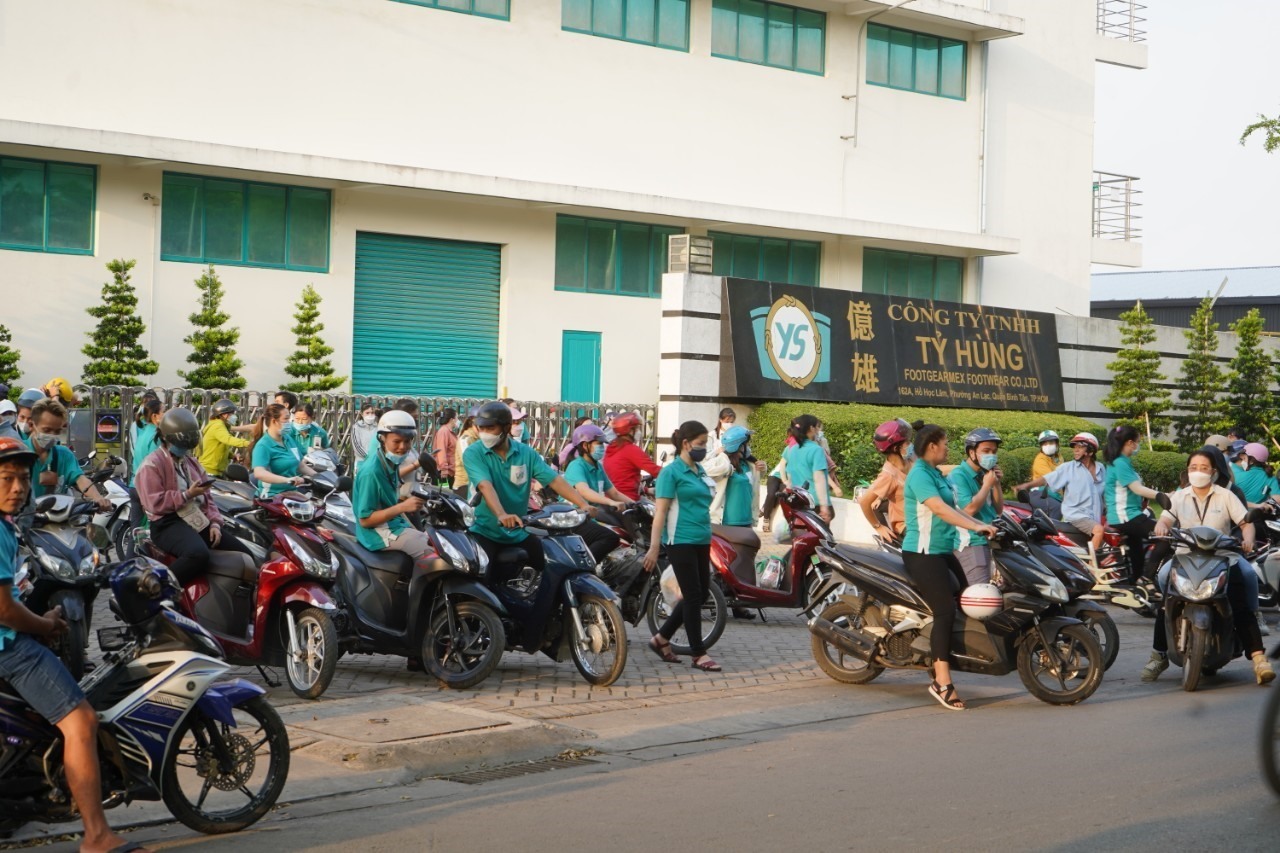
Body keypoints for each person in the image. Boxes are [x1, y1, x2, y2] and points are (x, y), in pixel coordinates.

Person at [0, 437, 148, 853]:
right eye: (6, 479)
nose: (17, 488)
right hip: (7, 647)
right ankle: (97, 836)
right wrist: (44, 624)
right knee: (80, 722)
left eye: (23, 480)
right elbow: (5, 612)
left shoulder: (10, 525)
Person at [1141, 449, 1274, 684]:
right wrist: (1161, 526)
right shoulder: (1180, 496)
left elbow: (1245, 523)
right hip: (1185, 556)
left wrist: (1248, 538)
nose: (1198, 472)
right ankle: (1158, 655)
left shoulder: (1226, 495)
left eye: (1204, 468)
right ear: (1187, 471)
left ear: (1213, 472)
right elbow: (1166, 518)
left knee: (1241, 591)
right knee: (1165, 597)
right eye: (1193, 468)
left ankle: (1259, 659)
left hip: (1222, 557)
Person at [901, 424, 999, 711]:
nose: (947, 448)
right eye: (944, 444)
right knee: (944, 611)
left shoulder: (935, 473)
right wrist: (977, 525)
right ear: (932, 446)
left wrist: (980, 525)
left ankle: (937, 654)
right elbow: (941, 510)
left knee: (967, 598)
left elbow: (955, 509)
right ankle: (941, 683)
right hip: (922, 553)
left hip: (943, 550)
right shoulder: (919, 475)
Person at [463, 402, 595, 582]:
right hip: (485, 531)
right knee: (484, 586)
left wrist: (583, 504)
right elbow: (486, 485)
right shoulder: (473, 452)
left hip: (520, 530)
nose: (484, 432)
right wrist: (502, 515)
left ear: (507, 427)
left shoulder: (526, 453)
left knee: (557, 570)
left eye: (490, 428)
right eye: (481, 428)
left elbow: (554, 479)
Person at [136, 409, 252, 586]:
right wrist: (186, 494)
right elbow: (154, 503)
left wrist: (215, 523)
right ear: (168, 439)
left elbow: (208, 498)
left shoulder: (191, 463)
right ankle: (159, 587)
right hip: (167, 523)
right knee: (198, 553)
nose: (185, 450)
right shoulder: (152, 465)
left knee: (246, 555)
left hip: (195, 517)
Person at [642, 420, 722, 673]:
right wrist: (654, 548)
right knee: (694, 595)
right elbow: (661, 513)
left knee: (694, 595)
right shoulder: (671, 473)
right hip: (680, 540)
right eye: (700, 444)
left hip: (701, 538)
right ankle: (698, 654)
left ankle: (661, 638)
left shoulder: (699, 471)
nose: (704, 448)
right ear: (686, 444)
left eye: (705, 444)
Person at [1015, 432, 1106, 554]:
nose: (1075, 450)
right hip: (1077, 515)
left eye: (1080, 447)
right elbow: (1048, 478)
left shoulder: (1101, 469)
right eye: (1075, 447)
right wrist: (1027, 485)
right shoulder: (1069, 468)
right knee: (1099, 530)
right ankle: (1092, 570)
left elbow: (1107, 492)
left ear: (1090, 451)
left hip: (1093, 517)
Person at [1103, 425, 1166, 585]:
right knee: (1166, 538)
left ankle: (1135, 585)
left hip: (1125, 515)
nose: (1138, 445)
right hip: (1126, 516)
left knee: (1137, 553)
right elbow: (1136, 488)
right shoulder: (1120, 463)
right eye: (1137, 442)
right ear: (1130, 443)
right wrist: (1160, 495)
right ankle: (1146, 579)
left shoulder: (1121, 462)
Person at [24, 398, 110, 510]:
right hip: (23, 519)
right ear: (32, 425)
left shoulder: (63, 454)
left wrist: (98, 498)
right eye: (47, 430)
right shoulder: (18, 453)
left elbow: (80, 479)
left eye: (57, 431)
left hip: (57, 519)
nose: (52, 435)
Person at [561, 423, 628, 562]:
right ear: (585, 446)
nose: (602, 448)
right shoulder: (576, 466)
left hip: (592, 515)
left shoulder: (598, 466)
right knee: (610, 537)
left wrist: (637, 505)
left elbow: (614, 492)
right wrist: (611, 502)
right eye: (599, 444)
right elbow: (584, 492)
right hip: (574, 518)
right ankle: (583, 568)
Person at [949, 428, 1004, 585]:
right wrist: (987, 486)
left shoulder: (984, 474)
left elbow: (998, 509)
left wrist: (997, 484)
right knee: (979, 592)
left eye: (994, 451)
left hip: (989, 537)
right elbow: (969, 510)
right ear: (972, 453)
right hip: (972, 542)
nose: (991, 455)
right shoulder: (958, 475)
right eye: (986, 451)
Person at [859, 418, 914, 544]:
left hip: (923, 519)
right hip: (908, 527)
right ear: (896, 448)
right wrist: (878, 527)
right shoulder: (889, 475)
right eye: (907, 442)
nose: (910, 444)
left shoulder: (910, 459)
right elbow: (864, 502)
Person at [781, 415, 833, 523]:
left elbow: (790, 475)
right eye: (816, 427)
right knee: (821, 537)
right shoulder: (816, 450)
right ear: (811, 428)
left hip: (798, 500)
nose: (818, 430)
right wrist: (824, 506)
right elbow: (819, 479)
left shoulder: (792, 449)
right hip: (815, 501)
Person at [250, 404, 309, 498]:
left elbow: (300, 465)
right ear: (274, 421)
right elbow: (259, 473)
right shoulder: (263, 445)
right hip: (271, 497)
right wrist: (287, 480)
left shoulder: (288, 439)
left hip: (291, 494)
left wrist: (320, 477)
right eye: (286, 419)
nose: (289, 422)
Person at [603, 411, 660, 501]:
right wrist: (677, 475)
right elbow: (655, 470)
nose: (639, 432)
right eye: (637, 428)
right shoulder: (630, 450)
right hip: (629, 501)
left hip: (612, 499)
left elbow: (622, 478)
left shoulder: (612, 447)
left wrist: (646, 490)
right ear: (629, 430)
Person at [197, 399, 250, 478]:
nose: (234, 416)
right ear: (224, 414)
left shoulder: (220, 425)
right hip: (210, 471)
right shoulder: (218, 426)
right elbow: (228, 440)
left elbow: (219, 446)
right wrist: (250, 443)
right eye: (232, 413)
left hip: (214, 470)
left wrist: (232, 455)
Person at [453, 409, 480, 499]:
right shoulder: (466, 439)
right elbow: (468, 461)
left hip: (474, 484)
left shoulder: (478, 438)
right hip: (464, 485)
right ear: (473, 423)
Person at [350, 402, 382, 472]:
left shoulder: (378, 427)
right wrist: (368, 457)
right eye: (367, 413)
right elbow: (356, 446)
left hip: (376, 462)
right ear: (362, 414)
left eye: (372, 413)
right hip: (361, 462)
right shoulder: (356, 427)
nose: (370, 415)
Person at [432, 408, 459, 487]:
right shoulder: (443, 431)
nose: (458, 420)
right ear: (452, 420)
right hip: (445, 473)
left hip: (451, 472)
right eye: (457, 418)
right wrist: (444, 469)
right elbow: (441, 451)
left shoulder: (449, 432)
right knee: (444, 494)